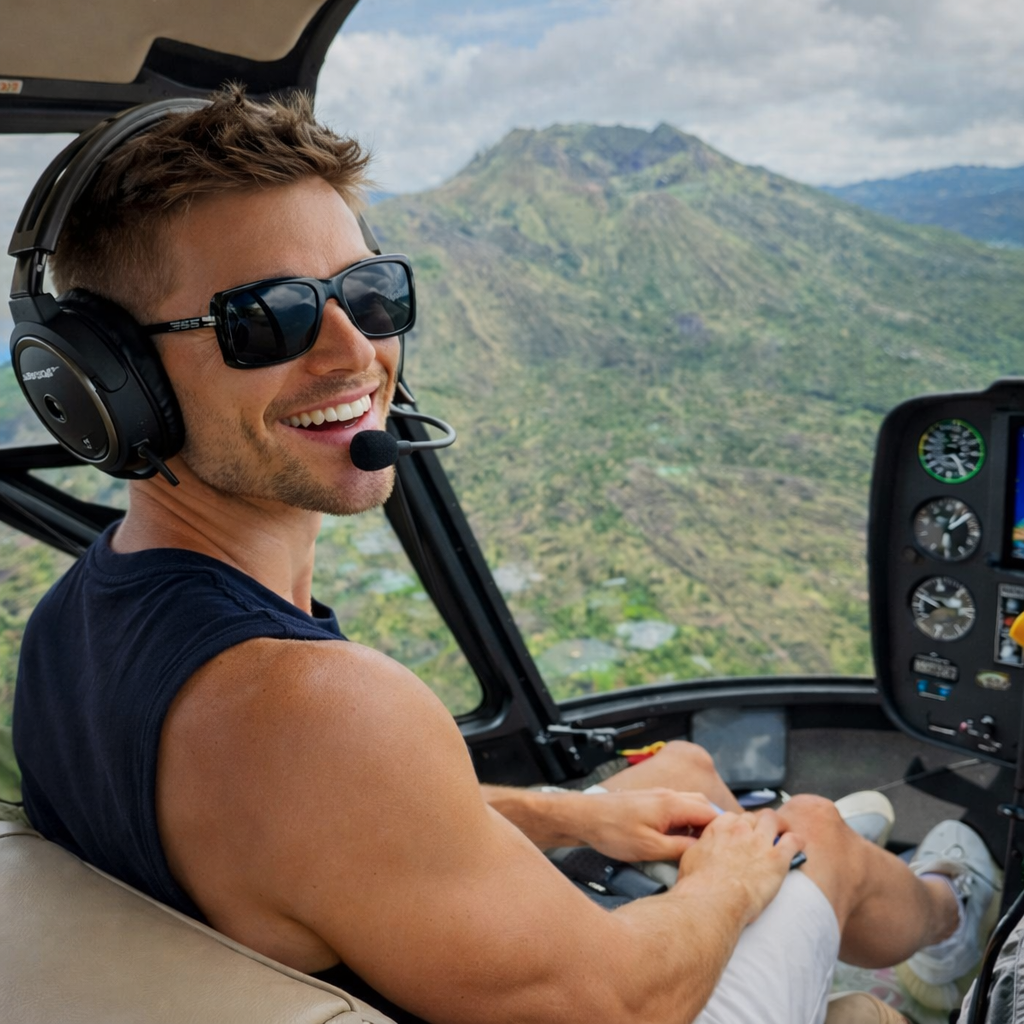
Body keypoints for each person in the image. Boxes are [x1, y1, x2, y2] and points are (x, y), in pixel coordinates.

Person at [12, 88, 999, 1024]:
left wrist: (568, 814)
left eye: (369, 292)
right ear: (110, 382)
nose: (355, 352)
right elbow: (618, 1005)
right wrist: (735, 879)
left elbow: (320, 825)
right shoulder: (310, 706)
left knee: (687, 771)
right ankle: (954, 932)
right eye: (266, 318)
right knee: (812, 834)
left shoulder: (70, 625)